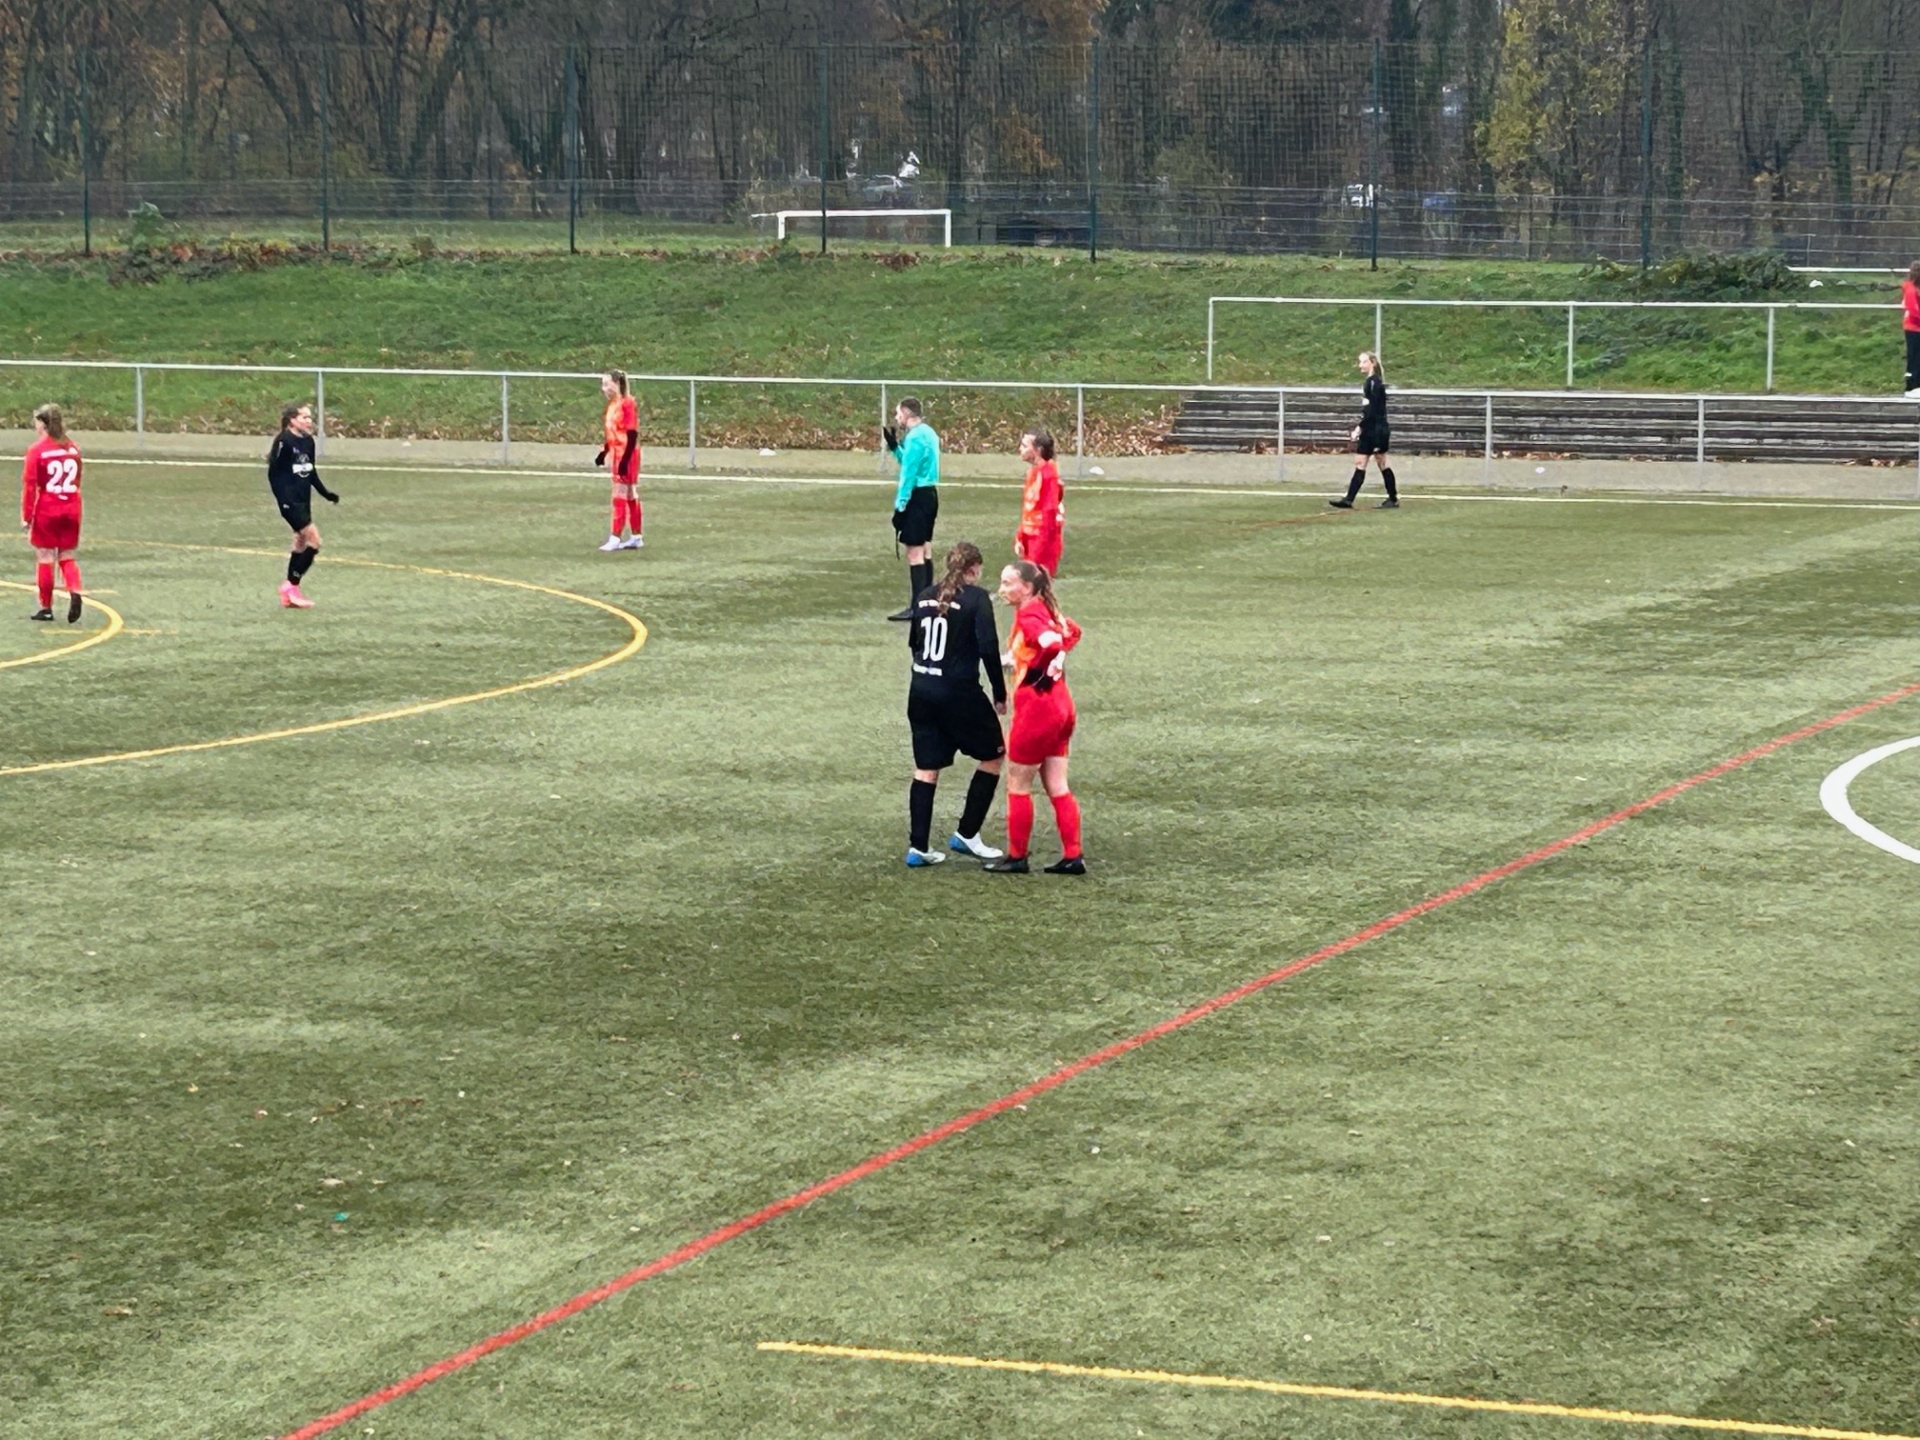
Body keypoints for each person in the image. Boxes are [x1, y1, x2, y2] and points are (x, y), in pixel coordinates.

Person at [902, 541, 1008, 868]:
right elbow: (988, 647)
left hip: (921, 689)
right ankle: (967, 833)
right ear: (974, 569)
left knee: (926, 767)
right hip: (958, 692)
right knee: (993, 755)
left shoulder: (924, 595)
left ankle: (919, 846)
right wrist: (1000, 692)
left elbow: (914, 642)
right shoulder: (976, 598)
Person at [984, 559, 1085, 875]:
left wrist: (1049, 655)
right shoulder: (1045, 609)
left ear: (1026, 587)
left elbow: (1050, 642)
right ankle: (1073, 855)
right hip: (1061, 706)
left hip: (1037, 710)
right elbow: (1072, 632)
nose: (1002, 589)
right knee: (1057, 783)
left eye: (1007, 583)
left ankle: (1017, 856)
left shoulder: (1029, 615)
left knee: (1018, 782)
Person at [267, 401, 339, 609]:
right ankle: (290, 585)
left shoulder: (308, 441)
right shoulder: (283, 442)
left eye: (310, 417)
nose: (309, 421)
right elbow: (274, 474)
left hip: (303, 498)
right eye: (304, 417)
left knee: (299, 541)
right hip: (289, 501)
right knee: (314, 541)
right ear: (292, 420)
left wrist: (325, 493)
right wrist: (284, 499)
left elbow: (310, 471)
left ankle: (291, 593)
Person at [20, 403, 85, 624]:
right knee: (67, 555)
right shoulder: (72, 448)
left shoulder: (37, 450)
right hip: (72, 506)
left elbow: (30, 486)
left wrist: (27, 516)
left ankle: (46, 607)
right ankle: (75, 589)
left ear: (43, 423)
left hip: (48, 508)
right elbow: (77, 478)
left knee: (45, 556)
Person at [884, 396, 939, 620]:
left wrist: (900, 505)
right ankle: (929, 602)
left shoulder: (915, 437)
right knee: (925, 548)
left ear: (907, 413)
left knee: (914, 552)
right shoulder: (929, 433)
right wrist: (894, 447)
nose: (897, 418)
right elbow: (908, 460)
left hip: (917, 496)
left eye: (898, 413)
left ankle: (918, 607)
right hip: (930, 494)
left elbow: (908, 473)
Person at [1329, 351, 1398, 510]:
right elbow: (1368, 409)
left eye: (1364, 362)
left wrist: (1359, 427)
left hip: (1376, 429)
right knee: (1361, 461)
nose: (1360, 365)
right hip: (1370, 428)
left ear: (1372, 362)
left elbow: (1373, 410)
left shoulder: (1375, 383)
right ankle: (1349, 499)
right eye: (1360, 362)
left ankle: (1392, 498)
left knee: (1381, 461)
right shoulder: (1370, 382)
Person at [596, 369, 643, 550]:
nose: (604, 389)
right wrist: (604, 452)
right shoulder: (613, 405)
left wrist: (624, 461)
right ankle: (636, 536)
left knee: (620, 494)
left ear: (616, 384)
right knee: (629, 494)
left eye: (606, 384)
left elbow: (631, 434)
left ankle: (615, 537)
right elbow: (612, 433)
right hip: (617, 453)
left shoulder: (627, 404)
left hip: (626, 454)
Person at [1014, 428, 1064, 576]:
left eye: (1025, 446)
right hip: (1031, 538)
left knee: (1037, 581)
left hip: (1042, 540)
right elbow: (1029, 510)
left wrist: (1041, 546)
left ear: (1038, 450)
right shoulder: (1033, 472)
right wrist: (1021, 537)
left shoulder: (1048, 473)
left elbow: (1049, 511)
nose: (1020, 449)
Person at [1903, 261, 1919, 397]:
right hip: (1914, 328)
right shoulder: (1911, 289)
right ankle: (1912, 386)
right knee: (1915, 357)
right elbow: (1914, 310)